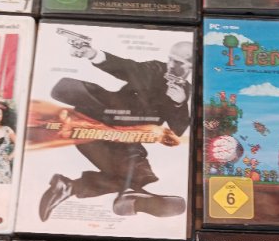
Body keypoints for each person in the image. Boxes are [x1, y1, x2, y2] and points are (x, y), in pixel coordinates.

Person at [38, 40, 192, 221]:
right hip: (93, 124)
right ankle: (128, 194)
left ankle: (72, 187)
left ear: (192, 66)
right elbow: (127, 67)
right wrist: (93, 54)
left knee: (139, 175)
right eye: (170, 59)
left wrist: (178, 103)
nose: (171, 65)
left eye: (178, 62)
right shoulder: (155, 70)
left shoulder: (184, 90)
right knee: (136, 174)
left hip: (122, 139)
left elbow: (178, 129)